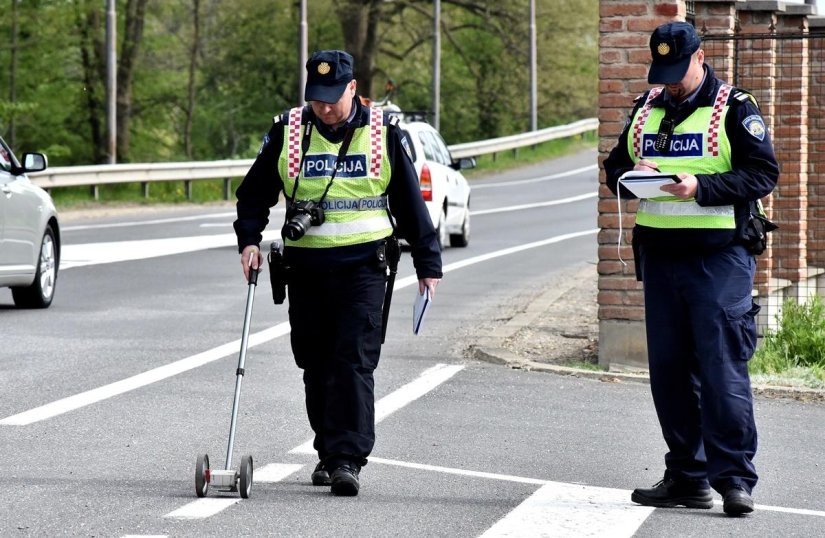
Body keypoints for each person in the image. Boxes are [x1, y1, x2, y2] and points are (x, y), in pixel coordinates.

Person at [233, 50, 442, 496]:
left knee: (352, 361)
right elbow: (253, 195)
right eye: (317, 99)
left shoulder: (382, 132)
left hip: (364, 268)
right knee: (315, 363)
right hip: (305, 269)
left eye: (333, 98)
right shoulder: (288, 131)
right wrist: (249, 240)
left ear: (353, 88)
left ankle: (348, 459)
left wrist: (428, 262)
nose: (324, 108)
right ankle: (328, 452)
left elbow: (409, 203)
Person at [604, 22, 779, 516]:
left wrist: (697, 189)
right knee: (670, 375)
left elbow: (762, 173)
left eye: (678, 71)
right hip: (660, 260)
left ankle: (734, 481)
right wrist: (639, 177)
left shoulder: (734, 107)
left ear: (701, 57)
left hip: (718, 259)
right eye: (663, 73)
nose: (671, 82)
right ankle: (686, 475)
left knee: (722, 371)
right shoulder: (646, 108)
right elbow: (613, 166)